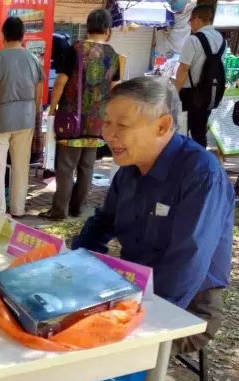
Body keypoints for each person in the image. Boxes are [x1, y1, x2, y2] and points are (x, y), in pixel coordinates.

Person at [73, 77, 234, 354]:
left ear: (162, 126)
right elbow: (103, 222)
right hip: (132, 287)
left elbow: (188, 261)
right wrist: (75, 265)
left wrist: (144, 321)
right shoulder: (129, 169)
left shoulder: (200, 173)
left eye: (122, 125)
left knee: (90, 348)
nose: (108, 134)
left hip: (189, 307)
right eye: (107, 122)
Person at [39, 8, 120, 221]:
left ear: (87, 27)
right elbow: (115, 88)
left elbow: (61, 81)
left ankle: (59, 211)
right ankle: (77, 209)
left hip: (71, 121)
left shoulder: (75, 50)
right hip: (97, 122)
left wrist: (53, 107)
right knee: (87, 167)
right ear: (107, 29)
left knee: (66, 168)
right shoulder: (112, 54)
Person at [0, 16, 44, 217]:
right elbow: (39, 96)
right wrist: (35, 117)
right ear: (23, 35)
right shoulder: (33, 60)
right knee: (21, 166)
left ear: (3, 35)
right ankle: (18, 209)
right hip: (25, 119)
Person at [175, 4, 224, 148]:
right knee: (200, 132)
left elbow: (183, 69)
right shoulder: (222, 39)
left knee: (182, 130)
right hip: (210, 93)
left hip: (190, 94)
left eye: (190, 20)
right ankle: (200, 159)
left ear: (197, 18)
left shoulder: (193, 39)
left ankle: (183, 159)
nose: (190, 24)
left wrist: (174, 92)